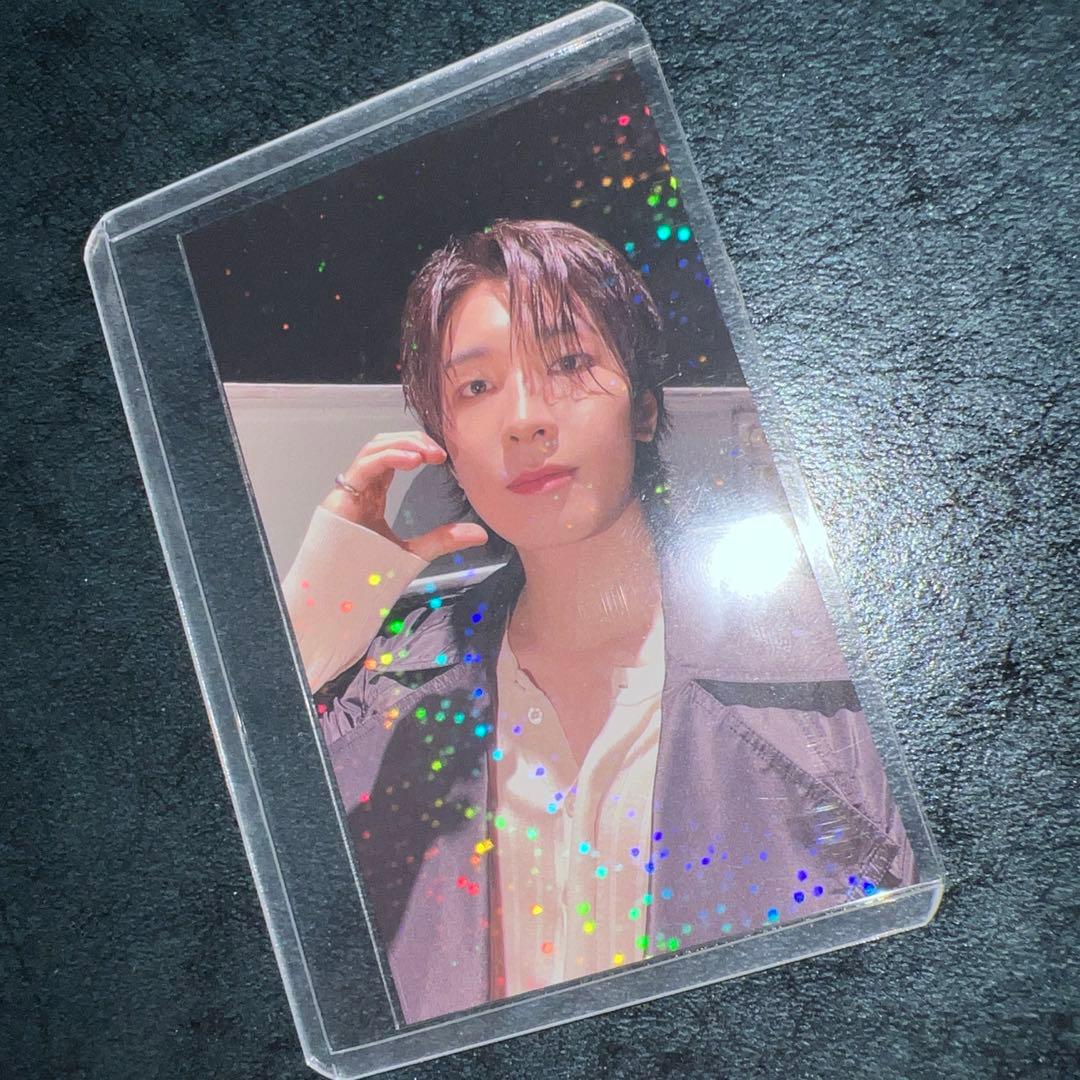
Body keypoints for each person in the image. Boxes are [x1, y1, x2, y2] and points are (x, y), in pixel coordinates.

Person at [281, 219, 918, 1026]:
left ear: (644, 408)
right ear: (443, 444)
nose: (524, 418)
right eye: (475, 387)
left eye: (568, 364)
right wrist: (303, 639)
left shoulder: (840, 693)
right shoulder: (376, 705)